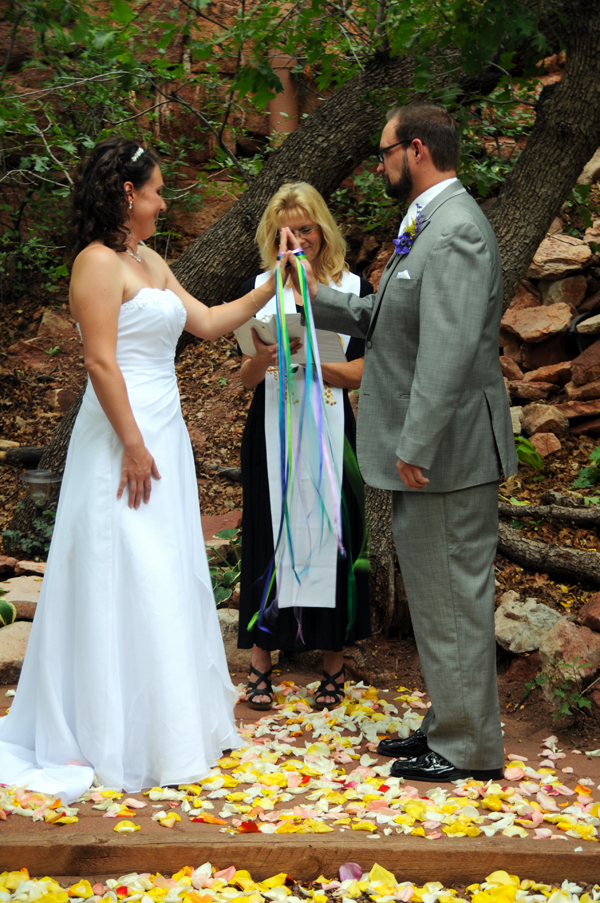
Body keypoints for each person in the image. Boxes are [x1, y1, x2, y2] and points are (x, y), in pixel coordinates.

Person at [0, 136, 280, 803]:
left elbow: (206, 321)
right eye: (156, 191)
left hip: (163, 434)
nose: (163, 203)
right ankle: (107, 734)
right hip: (120, 437)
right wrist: (131, 442)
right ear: (128, 193)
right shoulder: (96, 264)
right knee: (122, 567)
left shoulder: (149, 259)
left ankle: (164, 730)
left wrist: (276, 283)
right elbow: (100, 360)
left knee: (163, 569)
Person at [282, 104, 517, 781]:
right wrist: (308, 288)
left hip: (448, 453)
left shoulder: (458, 229)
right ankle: (451, 724)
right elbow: (388, 319)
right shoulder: (427, 222)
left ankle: (469, 749)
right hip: (436, 453)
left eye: (384, 152)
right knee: (438, 594)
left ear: (415, 149)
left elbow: (448, 349)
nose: (379, 165)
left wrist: (416, 442)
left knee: (453, 594)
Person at [236, 182, 371, 711]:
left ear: (323, 230)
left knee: (332, 534)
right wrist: (263, 358)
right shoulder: (259, 287)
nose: (295, 241)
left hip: (331, 426)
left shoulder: (352, 287)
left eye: (305, 230)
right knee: (269, 533)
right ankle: (260, 660)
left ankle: (332, 662)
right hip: (271, 426)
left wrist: (315, 364)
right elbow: (246, 378)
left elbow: (364, 371)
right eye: (284, 233)